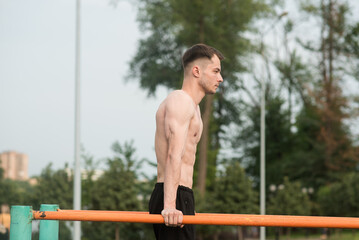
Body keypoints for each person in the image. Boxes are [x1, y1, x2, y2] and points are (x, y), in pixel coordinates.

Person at [149, 43, 224, 240]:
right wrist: (170, 207)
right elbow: (175, 154)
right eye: (215, 71)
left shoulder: (194, 107)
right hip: (172, 196)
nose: (220, 78)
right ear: (196, 71)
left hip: (180, 196)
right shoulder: (180, 100)